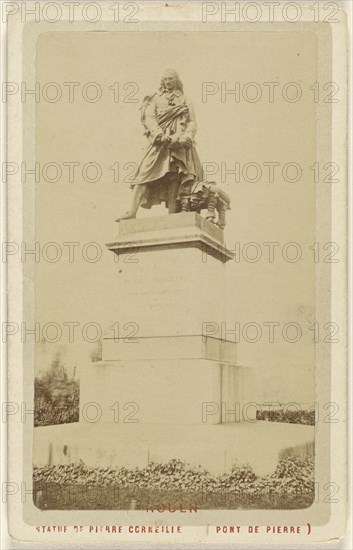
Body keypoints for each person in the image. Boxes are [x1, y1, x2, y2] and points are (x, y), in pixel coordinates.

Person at [116, 69, 203, 221]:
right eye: (165, 80)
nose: (168, 82)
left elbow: (192, 122)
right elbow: (150, 118)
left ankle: (172, 215)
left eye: (171, 79)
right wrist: (159, 134)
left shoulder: (186, 100)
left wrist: (187, 137)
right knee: (143, 173)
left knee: (174, 176)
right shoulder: (155, 99)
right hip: (160, 143)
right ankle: (132, 211)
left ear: (176, 80)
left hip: (179, 143)